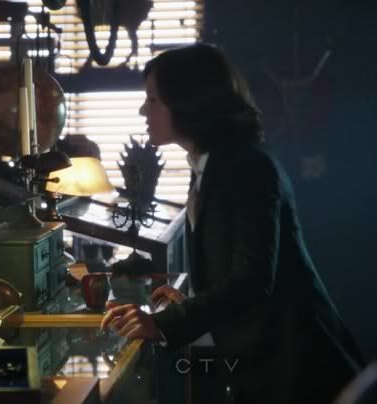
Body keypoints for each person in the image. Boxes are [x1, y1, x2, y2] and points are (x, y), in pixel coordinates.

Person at [100, 43, 364, 403]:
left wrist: (162, 323)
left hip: (296, 366)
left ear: (188, 102)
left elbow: (253, 279)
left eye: (153, 99)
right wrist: (193, 298)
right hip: (264, 364)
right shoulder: (209, 164)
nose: (143, 110)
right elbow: (232, 262)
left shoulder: (248, 166)